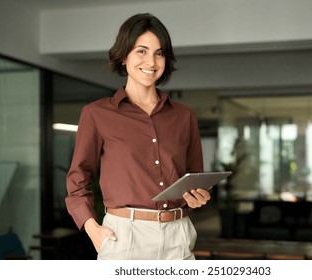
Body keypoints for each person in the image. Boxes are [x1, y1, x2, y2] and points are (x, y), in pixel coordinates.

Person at [65, 13, 211, 260]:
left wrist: (198, 197)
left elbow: (193, 181)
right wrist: (92, 229)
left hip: (178, 235)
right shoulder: (96, 114)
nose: (151, 61)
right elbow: (77, 181)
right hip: (124, 237)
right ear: (124, 56)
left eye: (159, 53)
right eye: (141, 51)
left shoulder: (184, 117)